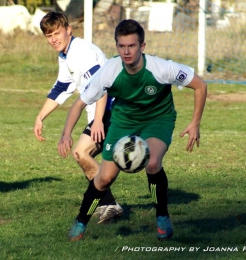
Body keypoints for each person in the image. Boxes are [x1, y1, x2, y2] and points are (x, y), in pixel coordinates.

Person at [58, 19, 207, 241]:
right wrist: (66, 134)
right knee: (104, 179)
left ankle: (162, 218)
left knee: (153, 163)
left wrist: (195, 123)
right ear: (116, 46)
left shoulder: (162, 68)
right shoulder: (109, 71)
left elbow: (200, 85)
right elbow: (80, 103)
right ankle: (80, 222)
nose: (126, 52)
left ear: (142, 46)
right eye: (121, 46)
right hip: (123, 121)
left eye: (132, 46)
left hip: (158, 118)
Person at [33, 11, 123, 223]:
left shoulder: (81, 52)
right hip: (104, 112)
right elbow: (62, 88)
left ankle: (109, 204)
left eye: (57, 33)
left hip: (115, 109)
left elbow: (103, 86)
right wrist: (40, 117)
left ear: (68, 30)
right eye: (49, 35)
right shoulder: (65, 54)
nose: (54, 39)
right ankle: (109, 204)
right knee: (82, 154)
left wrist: (99, 120)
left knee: (81, 152)